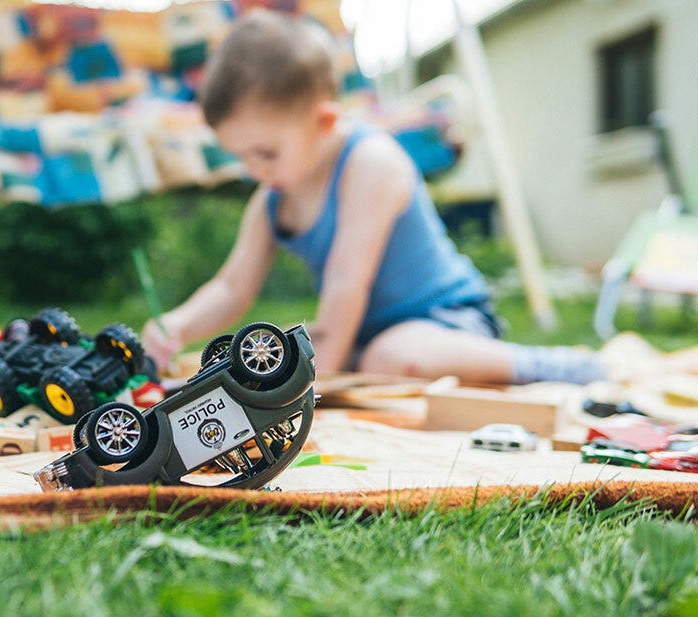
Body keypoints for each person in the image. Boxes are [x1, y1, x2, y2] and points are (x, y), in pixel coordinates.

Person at [140, 9, 606, 385]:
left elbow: (347, 284)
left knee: (388, 358)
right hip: (367, 334)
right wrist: (176, 326)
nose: (254, 171)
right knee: (280, 355)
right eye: (241, 157)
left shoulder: (370, 162)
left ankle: (545, 365)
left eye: (265, 152)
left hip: (446, 323)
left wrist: (313, 382)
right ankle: (361, 360)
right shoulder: (272, 198)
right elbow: (230, 288)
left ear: (324, 121)